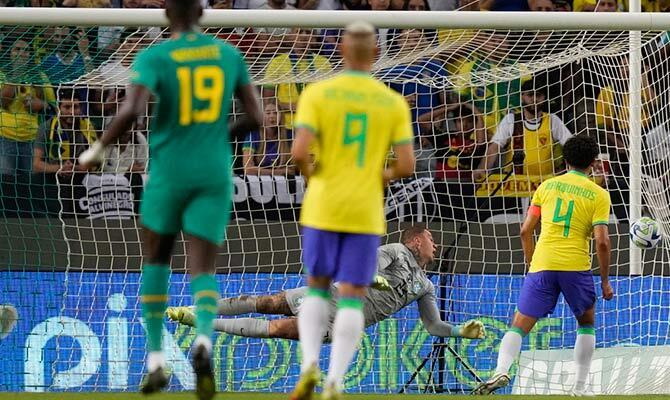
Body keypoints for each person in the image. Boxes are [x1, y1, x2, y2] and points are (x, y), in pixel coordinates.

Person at [78, 0, 262, 398]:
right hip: (213, 170)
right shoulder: (229, 54)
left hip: (168, 170)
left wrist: (98, 148)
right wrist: (215, 138)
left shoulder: (155, 56)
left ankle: (157, 359)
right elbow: (257, 119)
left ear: (166, 14)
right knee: (203, 266)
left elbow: (132, 112)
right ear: (201, 11)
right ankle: (204, 342)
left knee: (157, 258)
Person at [288, 21, 415, 400]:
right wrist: (383, 175)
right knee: (352, 296)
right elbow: (407, 166)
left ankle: (309, 367)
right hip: (364, 209)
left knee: (316, 288)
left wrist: (315, 177)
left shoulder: (318, 93)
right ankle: (335, 382)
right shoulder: (392, 102)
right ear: (377, 54)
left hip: (323, 205)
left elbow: (297, 154)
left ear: (340, 50)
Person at [166, 226, 486, 342]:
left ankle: (203, 322)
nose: (435, 244)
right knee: (267, 302)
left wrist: (458, 331)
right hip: (330, 297)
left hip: (345, 323)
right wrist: (369, 278)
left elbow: (433, 326)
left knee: (280, 328)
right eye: (431, 239)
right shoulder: (397, 251)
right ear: (416, 241)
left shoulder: (425, 286)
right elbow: (368, 265)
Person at [473, 135, 613, 396]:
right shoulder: (599, 195)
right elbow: (602, 242)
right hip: (575, 266)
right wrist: (604, 281)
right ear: (594, 163)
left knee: (518, 325)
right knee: (586, 323)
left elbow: (525, 231)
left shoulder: (546, 187)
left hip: (543, 264)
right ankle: (578, 388)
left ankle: (500, 370)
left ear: (564, 159)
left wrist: (531, 264)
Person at [473, 78, 573, 182]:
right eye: (530, 95)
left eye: (538, 95)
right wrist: (482, 169)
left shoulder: (552, 120)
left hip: (545, 184)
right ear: (522, 97)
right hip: (514, 185)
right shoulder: (510, 120)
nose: (534, 99)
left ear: (544, 98)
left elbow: (571, 145)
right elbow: (494, 148)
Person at [33, 89, 97, 177]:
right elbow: (36, 165)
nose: (72, 112)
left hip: (83, 178)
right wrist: (60, 168)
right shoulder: (46, 128)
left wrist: (74, 168)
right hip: (53, 179)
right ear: (58, 109)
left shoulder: (89, 126)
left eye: (76, 107)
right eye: (67, 107)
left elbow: (97, 161)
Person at [242, 102, 293, 176]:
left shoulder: (290, 135)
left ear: (281, 116)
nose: (272, 116)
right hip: (258, 182)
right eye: (268, 113)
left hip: (284, 182)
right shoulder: (252, 135)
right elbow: (248, 169)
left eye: (275, 113)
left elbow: (292, 170)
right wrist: (280, 172)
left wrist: (260, 171)